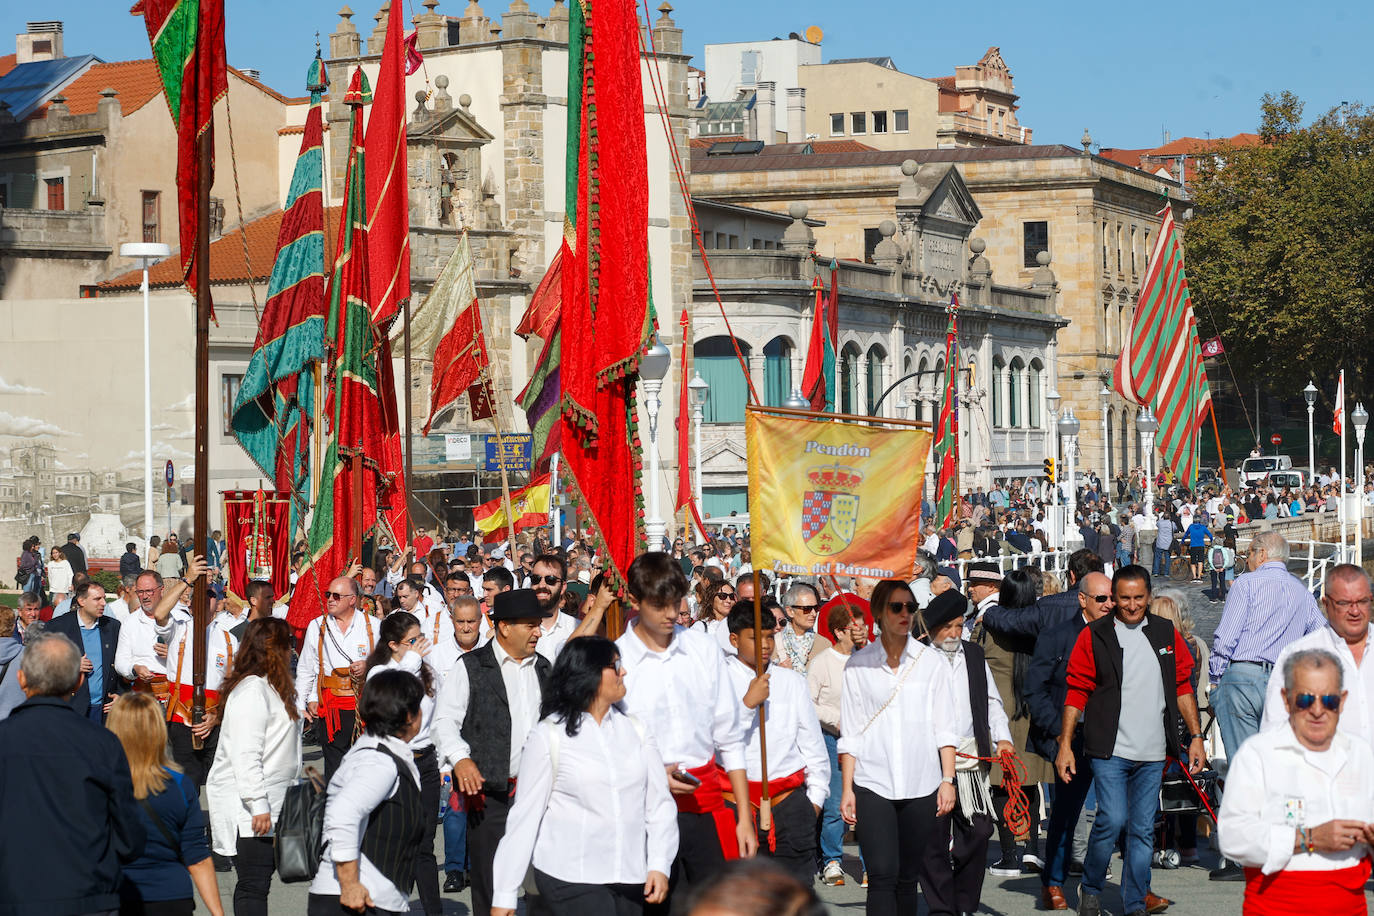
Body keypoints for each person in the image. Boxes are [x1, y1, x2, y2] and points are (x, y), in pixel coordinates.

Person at [600, 552, 756, 907]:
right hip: (645, 811)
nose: (671, 614)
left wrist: (744, 817)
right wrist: (650, 774)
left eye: (676, 602)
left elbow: (730, 737)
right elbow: (607, 743)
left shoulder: (702, 648)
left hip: (707, 804)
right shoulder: (616, 658)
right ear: (635, 601)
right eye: (659, 605)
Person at [491, 636, 678, 915]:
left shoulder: (636, 730)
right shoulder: (550, 735)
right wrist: (505, 893)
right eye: (615, 666)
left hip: (630, 874)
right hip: (569, 874)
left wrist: (660, 863)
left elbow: (659, 804)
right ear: (588, 674)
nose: (623, 672)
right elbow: (525, 817)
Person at [1058, 566, 1204, 916]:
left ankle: (1135, 903)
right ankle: (1091, 887)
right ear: (1114, 597)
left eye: (1139, 597)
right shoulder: (1094, 635)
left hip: (1154, 752)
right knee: (1112, 819)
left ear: (1149, 596)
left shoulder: (1166, 634)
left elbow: (1183, 685)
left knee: (1142, 832)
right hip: (1109, 749)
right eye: (1124, 598)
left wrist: (1196, 736)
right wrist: (1065, 743)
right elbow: (1076, 690)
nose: (1132, 605)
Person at [1218, 648, 1374, 916]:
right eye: (1304, 699)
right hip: (1276, 905)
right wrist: (1309, 838)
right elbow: (1232, 838)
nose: (1317, 710)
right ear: (1286, 700)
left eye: (1329, 700)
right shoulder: (1258, 754)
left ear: (1343, 700)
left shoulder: (1361, 754)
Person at [0, 632, 147, 914]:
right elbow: (129, 837)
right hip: (87, 894)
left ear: (22, 680)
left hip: (15, 895)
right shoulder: (102, 743)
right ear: (80, 681)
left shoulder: (5, 739)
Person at [838, 578, 959, 916]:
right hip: (873, 782)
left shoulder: (931, 662)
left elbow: (944, 727)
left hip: (922, 783)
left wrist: (947, 779)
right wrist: (847, 788)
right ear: (879, 612)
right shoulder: (858, 665)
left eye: (911, 607)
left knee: (908, 878)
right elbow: (851, 731)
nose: (905, 613)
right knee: (882, 875)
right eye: (896, 607)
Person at [431, 588, 553, 916]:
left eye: (538, 624)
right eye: (531, 625)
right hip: (491, 796)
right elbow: (443, 721)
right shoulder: (470, 667)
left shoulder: (544, 668)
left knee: (541, 881)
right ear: (505, 627)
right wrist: (462, 758)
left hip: (540, 794)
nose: (538, 632)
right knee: (490, 880)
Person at [919, 589, 1014, 915]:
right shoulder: (916, 659)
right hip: (929, 764)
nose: (954, 634)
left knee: (979, 831)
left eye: (959, 626)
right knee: (931, 840)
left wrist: (1003, 739)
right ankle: (942, 908)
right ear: (932, 628)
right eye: (948, 627)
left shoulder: (973, 655)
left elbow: (991, 703)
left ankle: (963, 904)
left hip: (973, 763)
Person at [1024, 572, 1115, 910]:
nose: (1109, 605)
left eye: (1112, 599)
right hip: (1071, 737)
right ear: (1082, 600)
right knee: (1067, 812)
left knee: (1121, 812)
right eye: (1101, 599)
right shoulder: (1057, 635)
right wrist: (1060, 731)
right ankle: (1054, 881)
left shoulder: (1121, 634)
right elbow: (1035, 689)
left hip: (1112, 736)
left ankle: (1132, 884)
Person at [723, 604, 830, 887]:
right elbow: (715, 739)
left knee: (792, 898)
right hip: (735, 803)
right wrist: (747, 704)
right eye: (755, 638)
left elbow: (813, 747)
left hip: (789, 804)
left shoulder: (792, 682)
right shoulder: (718, 678)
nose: (765, 645)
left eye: (770, 636)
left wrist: (813, 804)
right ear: (734, 639)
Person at [309, 669, 427, 916]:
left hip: (370, 899)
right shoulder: (378, 762)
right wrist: (350, 884)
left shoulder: (378, 752)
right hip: (357, 902)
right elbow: (342, 814)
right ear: (408, 715)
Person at [206, 618, 303, 916]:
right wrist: (258, 804)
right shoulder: (251, 692)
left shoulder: (272, 687)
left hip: (277, 801)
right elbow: (245, 755)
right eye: (289, 644)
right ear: (274, 649)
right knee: (253, 884)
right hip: (252, 808)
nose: (293, 651)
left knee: (262, 881)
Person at [1210, 532, 1325, 761]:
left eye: (1250, 552)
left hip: (1244, 678)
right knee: (1278, 764)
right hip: (1285, 682)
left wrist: (1215, 680)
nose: (1248, 557)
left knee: (1246, 765)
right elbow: (1322, 637)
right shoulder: (1302, 591)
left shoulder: (1245, 584)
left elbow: (1226, 638)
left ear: (1262, 554)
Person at [107, 692, 224, 916]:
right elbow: (196, 856)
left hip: (115, 894)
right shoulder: (179, 785)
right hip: (171, 896)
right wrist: (218, 912)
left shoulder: (99, 784)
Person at [969, 564, 1049, 874]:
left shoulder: (988, 625)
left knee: (1001, 784)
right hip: (1032, 710)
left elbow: (972, 662)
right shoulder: (1040, 626)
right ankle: (1030, 849)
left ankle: (1008, 854)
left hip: (997, 712)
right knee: (1029, 782)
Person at [365, 611, 443, 916]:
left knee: (425, 844)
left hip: (425, 763)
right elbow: (390, 700)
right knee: (394, 840)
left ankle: (433, 910)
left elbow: (441, 717)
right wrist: (411, 660)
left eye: (420, 638)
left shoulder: (428, 672)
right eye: (413, 640)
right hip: (393, 764)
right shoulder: (380, 673)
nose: (420, 646)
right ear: (394, 644)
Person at [1261, 564, 1374, 745]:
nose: (1355, 611)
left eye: (1362, 602)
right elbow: (1273, 732)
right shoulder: (1297, 655)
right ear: (1326, 604)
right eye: (1344, 603)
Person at [295, 576, 382, 779]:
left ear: (352, 599)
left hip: (364, 705)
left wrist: (368, 665)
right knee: (335, 766)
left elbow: (387, 663)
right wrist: (305, 702)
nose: (330, 600)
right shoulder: (317, 625)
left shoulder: (373, 625)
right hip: (331, 706)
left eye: (336, 595)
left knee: (365, 764)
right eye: (328, 595)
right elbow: (307, 668)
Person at [808, 604, 867, 886]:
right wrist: (838, 720)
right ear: (838, 631)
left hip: (866, 739)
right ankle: (832, 859)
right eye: (854, 627)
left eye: (863, 626)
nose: (861, 631)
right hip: (831, 739)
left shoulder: (869, 659)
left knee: (869, 801)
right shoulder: (822, 662)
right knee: (833, 803)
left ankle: (871, 863)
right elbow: (808, 704)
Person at [430, 594, 483, 893]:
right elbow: (433, 708)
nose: (465, 628)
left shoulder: (491, 651)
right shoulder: (437, 656)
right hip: (450, 745)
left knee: (479, 809)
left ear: (480, 620)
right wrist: (441, 758)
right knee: (454, 809)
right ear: (452, 621)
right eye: (460, 622)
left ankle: (474, 867)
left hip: (482, 741)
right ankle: (453, 869)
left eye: (471, 622)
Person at [47, 578, 122, 723]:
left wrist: (120, 695)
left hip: (104, 710)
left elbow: (121, 665)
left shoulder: (113, 627)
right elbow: (40, 664)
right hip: (70, 709)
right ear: (81, 601)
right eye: (97, 599)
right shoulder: (58, 627)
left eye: (104, 598)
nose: (104, 603)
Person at [775, 583, 832, 675]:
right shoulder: (772, 644)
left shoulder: (825, 645)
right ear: (790, 611)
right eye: (807, 609)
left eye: (816, 608)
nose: (814, 613)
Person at [530, 554, 577, 661]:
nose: (542, 585)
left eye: (550, 580)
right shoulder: (515, 630)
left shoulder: (575, 628)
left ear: (563, 587)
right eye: (536, 579)